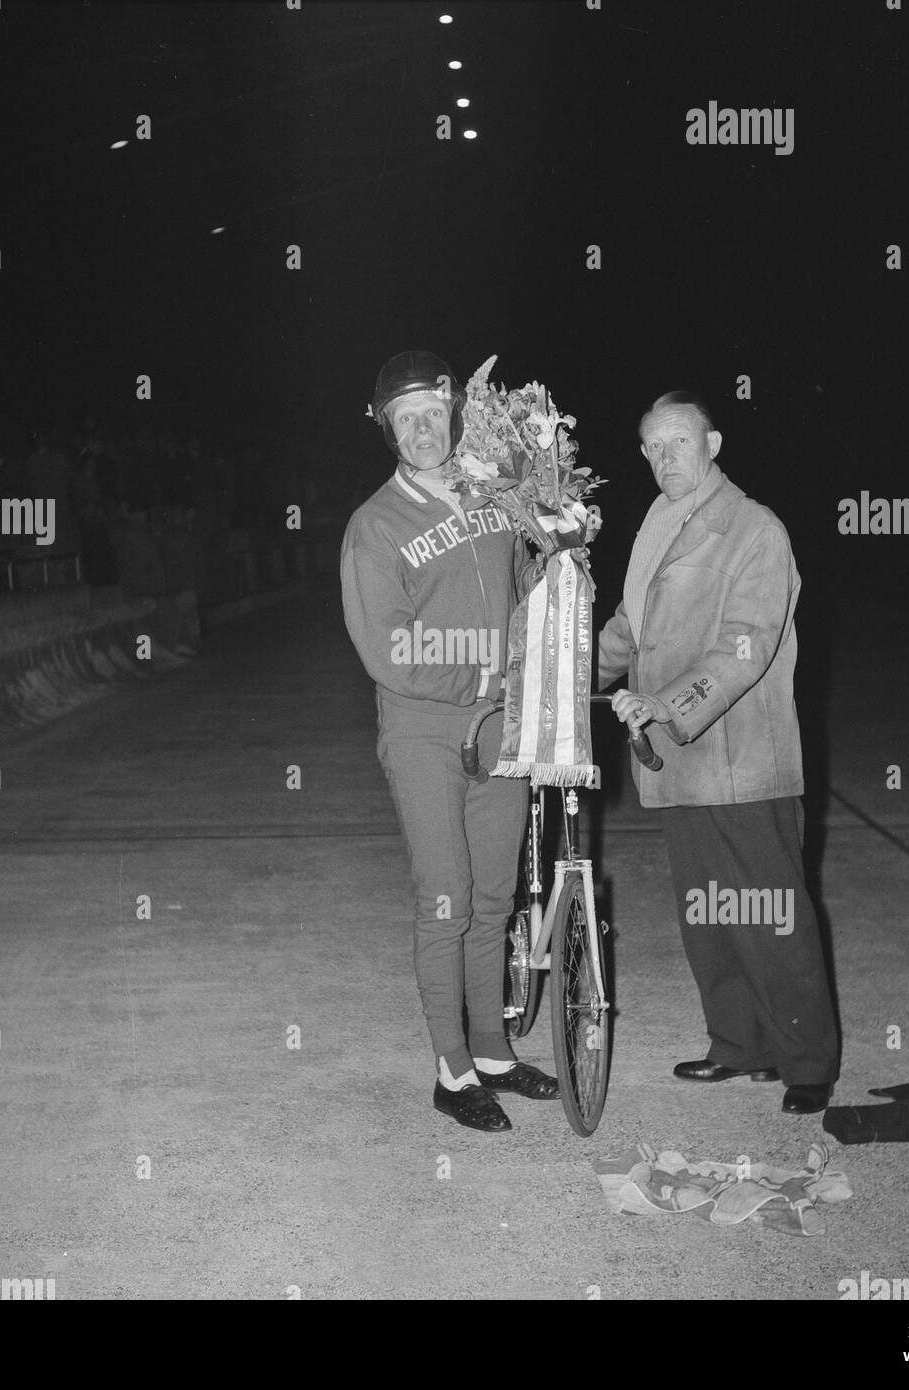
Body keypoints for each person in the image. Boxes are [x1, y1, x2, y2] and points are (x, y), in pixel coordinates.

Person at [598, 390, 839, 1114]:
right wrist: (563, 673)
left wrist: (666, 704)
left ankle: (805, 1062)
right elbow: (629, 628)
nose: (664, 457)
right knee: (707, 912)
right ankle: (737, 1045)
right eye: (652, 446)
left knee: (769, 913)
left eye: (678, 442)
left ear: (713, 444)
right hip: (678, 766)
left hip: (740, 761)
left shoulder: (753, 529)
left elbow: (746, 642)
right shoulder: (655, 523)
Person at [341, 350, 560, 1132]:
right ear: (386, 429)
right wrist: (477, 675)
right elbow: (386, 648)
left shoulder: (496, 494)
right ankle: (450, 1070)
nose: (423, 429)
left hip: (500, 723)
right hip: (426, 732)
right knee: (447, 900)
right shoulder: (375, 526)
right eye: (405, 419)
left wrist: (562, 547)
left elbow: (529, 588)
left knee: (495, 898)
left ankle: (493, 1052)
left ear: (454, 411)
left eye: (433, 412)